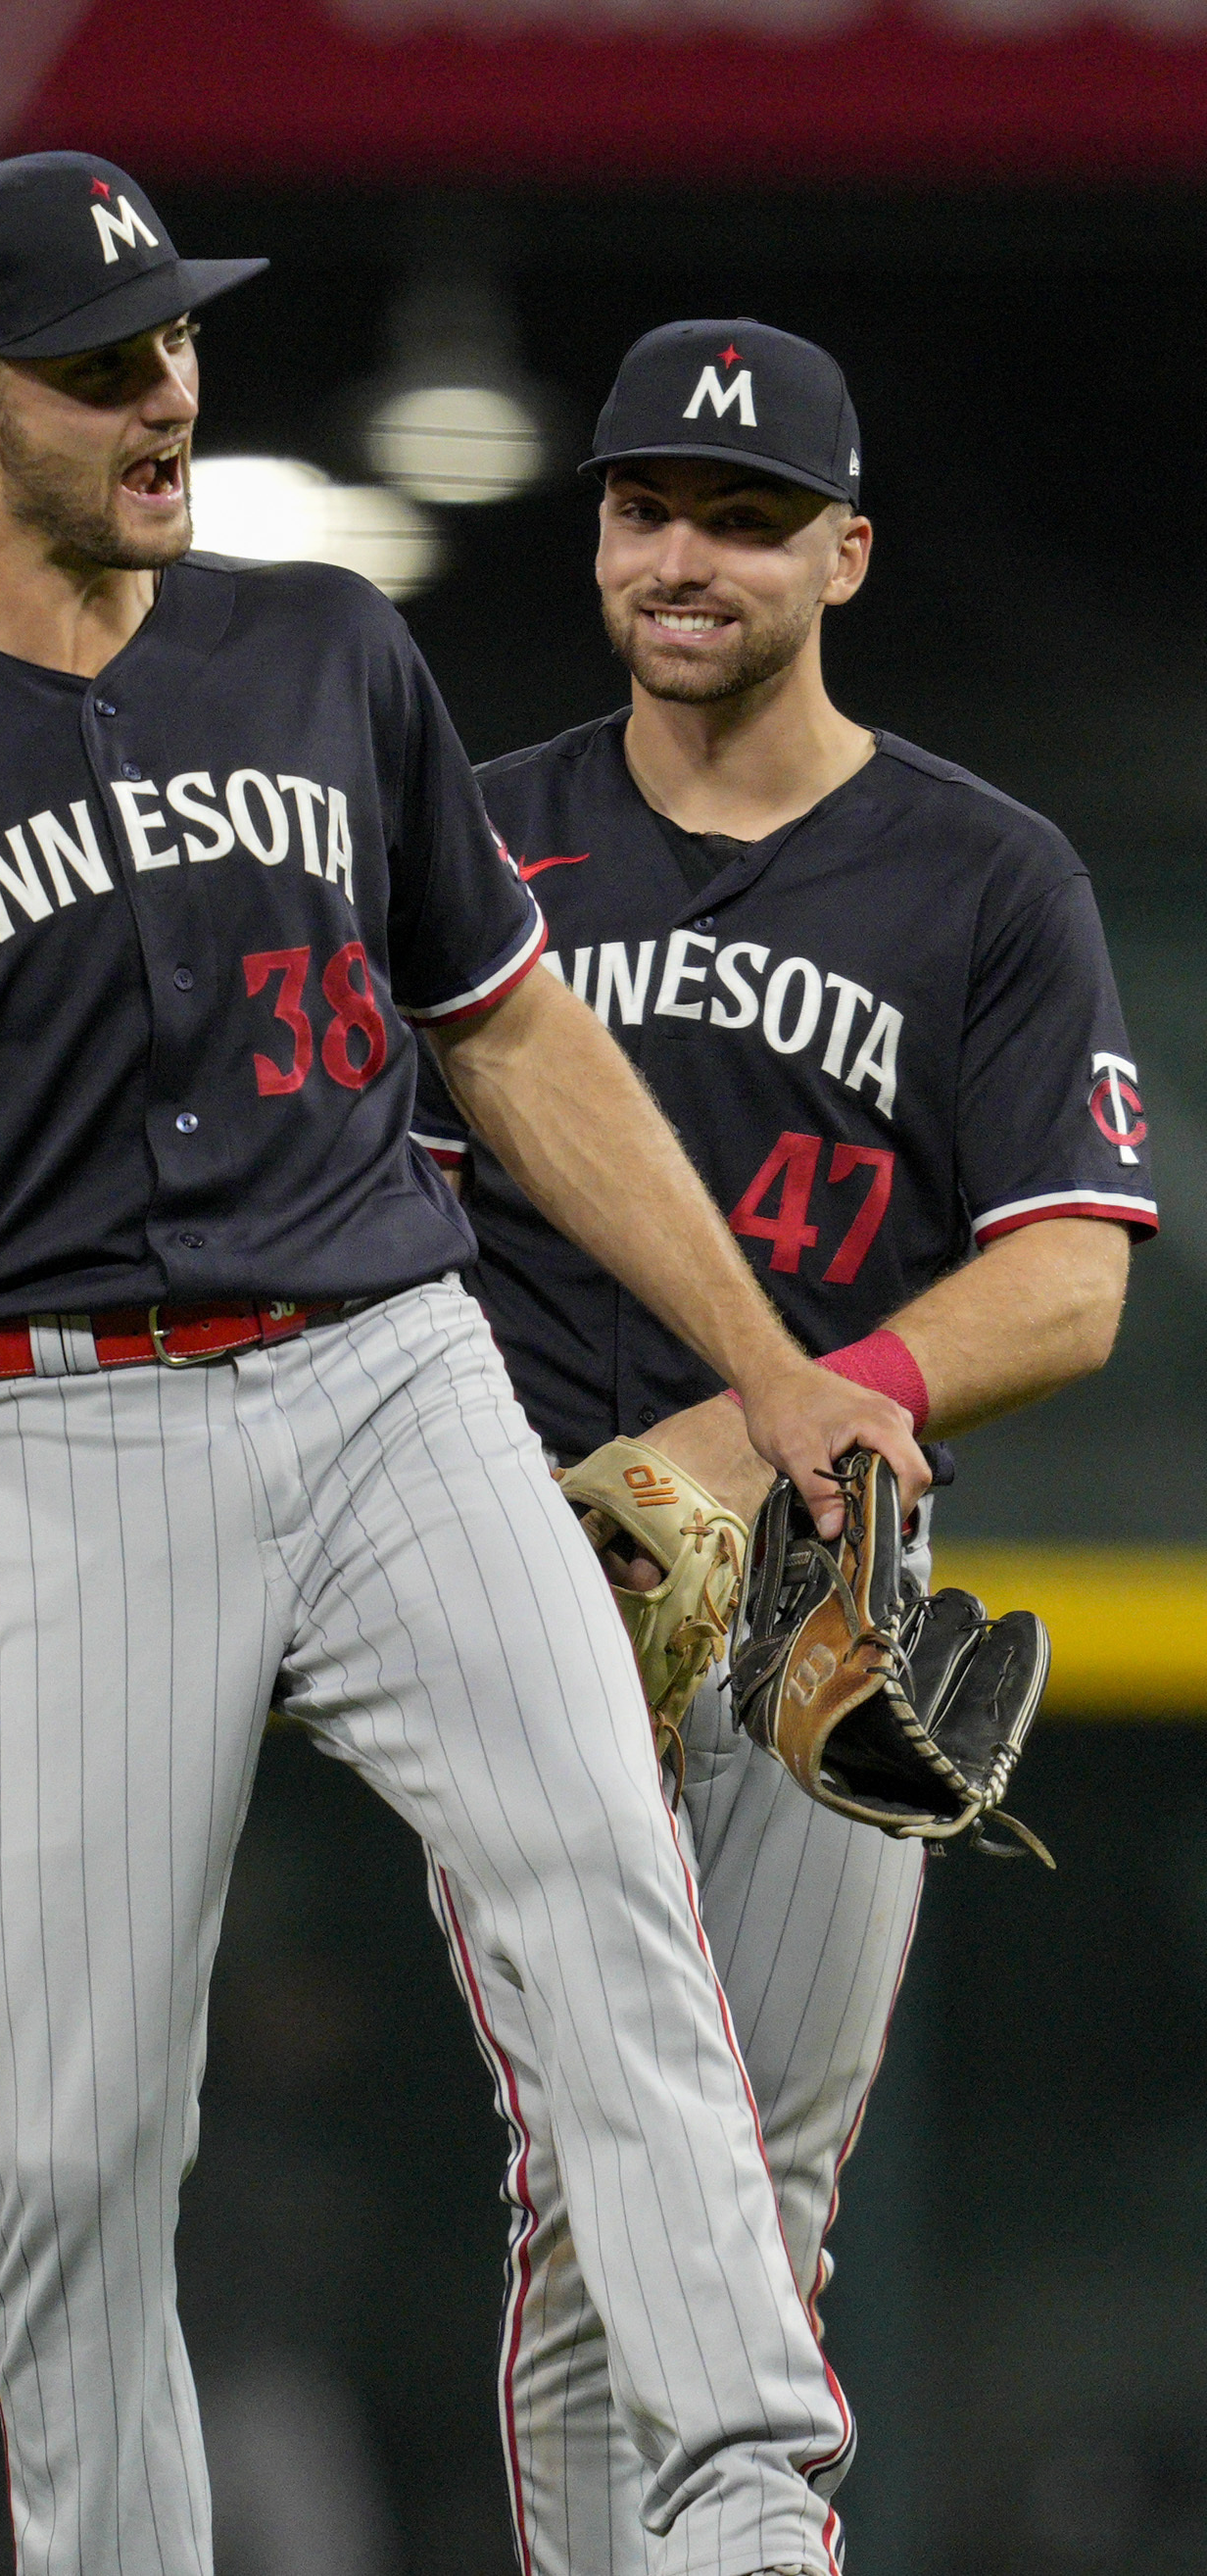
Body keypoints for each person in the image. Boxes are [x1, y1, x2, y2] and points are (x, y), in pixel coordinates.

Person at [0, 153, 917, 2576]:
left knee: (606, 1907)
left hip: (393, 1367)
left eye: (177, 339)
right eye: (104, 367)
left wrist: (771, 1360)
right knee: (80, 2143)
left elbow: (513, 1041)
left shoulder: (320, 645)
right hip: (57, 1432)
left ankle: (740, 2517)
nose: (164, 391)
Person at [414, 317, 1154, 2574]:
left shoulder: (980, 873)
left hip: (822, 1608)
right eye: (646, 509)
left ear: (844, 551)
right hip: (539, 1586)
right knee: (599, 2177)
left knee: (753, 2190)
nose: (683, 555)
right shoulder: (472, 844)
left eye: (743, 519)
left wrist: (768, 1429)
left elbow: (1069, 1278)